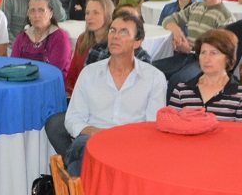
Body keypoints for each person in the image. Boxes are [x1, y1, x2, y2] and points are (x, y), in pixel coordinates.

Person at [53, 13, 166, 176]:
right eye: (113, 30)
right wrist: (94, 132)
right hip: (93, 140)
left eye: (124, 32)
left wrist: (119, 139)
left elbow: (152, 127)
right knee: (82, 150)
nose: (115, 36)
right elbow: (73, 118)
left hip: (133, 143)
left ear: (138, 42)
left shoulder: (154, 78)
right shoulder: (89, 73)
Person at [156, 0, 235, 87]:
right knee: (151, 69)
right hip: (185, 56)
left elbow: (219, 51)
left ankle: (173, 105)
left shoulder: (225, 17)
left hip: (204, 62)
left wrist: (190, 49)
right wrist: (177, 31)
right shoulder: (195, 7)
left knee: (177, 81)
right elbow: (168, 20)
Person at [168, 29, 242, 122]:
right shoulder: (181, 90)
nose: (206, 59)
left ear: (228, 58)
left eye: (213, 53)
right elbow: (171, 127)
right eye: (203, 53)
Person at [10, 0, 72, 78]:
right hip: (22, 82)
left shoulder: (60, 37)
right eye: (32, 11)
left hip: (50, 84)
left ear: (51, 14)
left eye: (41, 10)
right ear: (28, 14)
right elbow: (14, 65)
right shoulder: (22, 37)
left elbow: (54, 71)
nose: (36, 15)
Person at [65, 0, 116, 96]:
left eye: (96, 13)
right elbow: (72, 75)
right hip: (80, 96)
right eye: (87, 13)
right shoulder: (83, 39)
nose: (89, 17)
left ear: (108, 15)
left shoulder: (115, 43)